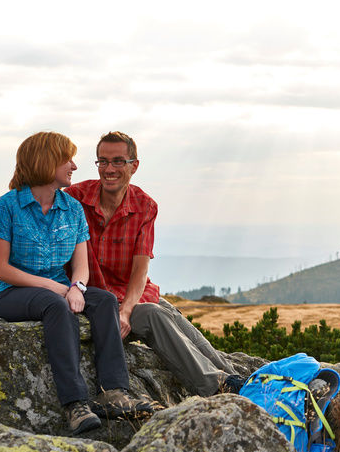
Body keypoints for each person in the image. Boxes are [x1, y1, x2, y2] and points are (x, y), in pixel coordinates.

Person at [0, 131, 145, 436]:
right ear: (46, 162)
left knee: (105, 300)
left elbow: (81, 266)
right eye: (67, 159)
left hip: (61, 289)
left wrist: (77, 287)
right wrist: (57, 288)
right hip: (12, 293)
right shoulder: (7, 206)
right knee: (55, 305)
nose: (74, 166)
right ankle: (75, 404)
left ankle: (113, 392)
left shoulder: (72, 208)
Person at [66, 131, 241, 397]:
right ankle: (216, 385)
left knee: (168, 310)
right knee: (152, 314)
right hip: (97, 298)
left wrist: (126, 311)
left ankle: (236, 377)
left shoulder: (145, 206)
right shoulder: (75, 198)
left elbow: (140, 269)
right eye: (103, 161)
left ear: (134, 166)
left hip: (129, 293)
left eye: (118, 161)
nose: (109, 169)